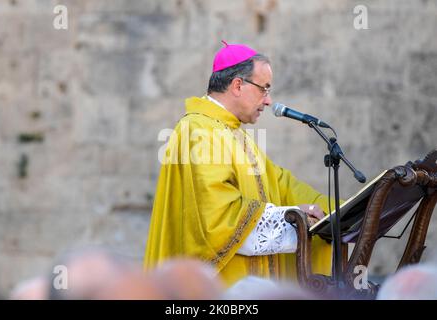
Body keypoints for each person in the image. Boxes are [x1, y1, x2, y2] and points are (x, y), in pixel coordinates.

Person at [144, 41, 337, 287]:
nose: (268, 101)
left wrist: (343, 210)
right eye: (264, 89)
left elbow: (282, 184)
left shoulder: (234, 134)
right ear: (238, 85)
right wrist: (293, 217)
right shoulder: (198, 129)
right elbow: (217, 218)